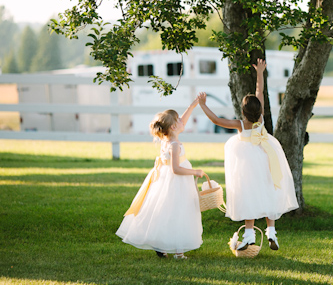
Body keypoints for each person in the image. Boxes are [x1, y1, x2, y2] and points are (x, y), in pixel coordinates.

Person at [197, 58, 299, 251]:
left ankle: (250, 235)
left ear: (242, 111)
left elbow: (217, 120)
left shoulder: (240, 124)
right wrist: (260, 72)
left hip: (248, 162)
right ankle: (271, 232)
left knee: (248, 193)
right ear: (259, 110)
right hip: (266, 157)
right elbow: (260, 92)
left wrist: (202, 104)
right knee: (270, 190)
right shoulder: (260, 118)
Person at [116, 97, 205, 259]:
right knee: (180, 212)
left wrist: (192, 106)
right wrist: (195, 172)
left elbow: (183, 121)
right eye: (179, 121)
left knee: (165, 211)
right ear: (173, 126)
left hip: (165, 181)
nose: (183, 122)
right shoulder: (175, 145)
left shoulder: (167, 140)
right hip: (177, 182)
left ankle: (161, 244)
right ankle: (179, 252)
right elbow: (177, 169)